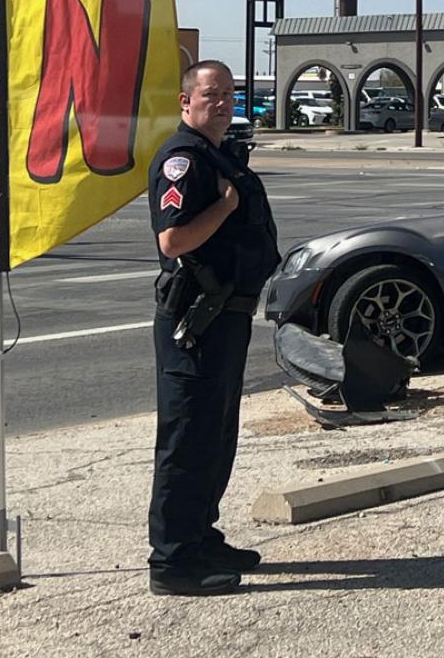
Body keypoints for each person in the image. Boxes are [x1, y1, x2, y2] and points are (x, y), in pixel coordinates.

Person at [147, 60, 280, 596]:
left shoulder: (218, 154)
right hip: (195, 321)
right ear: (186, 101)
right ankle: (173, 562)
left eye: (228, 94)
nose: (222, 102)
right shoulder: (183, 160)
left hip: (226, 316)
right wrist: (225, 208)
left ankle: (201, 538)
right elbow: (173, 240)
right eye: (210, 94)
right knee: (186, 439)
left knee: (215, 435)